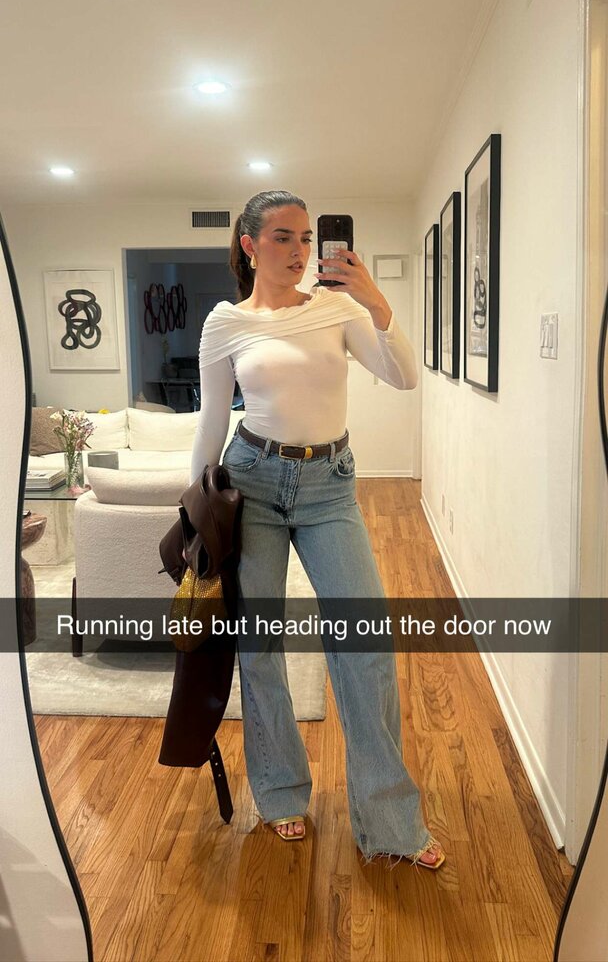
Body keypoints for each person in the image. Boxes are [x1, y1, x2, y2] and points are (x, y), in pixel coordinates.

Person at [190, 190, 445, 869]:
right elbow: (211, 420)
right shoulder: (226, 322)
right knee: (260, 645)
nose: (299, 251)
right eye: (282, 237)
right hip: (251, 481)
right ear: (250, 245)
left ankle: (389, 821)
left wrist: (375, 302)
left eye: (306, 238)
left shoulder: (338, 307)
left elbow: (404, 376)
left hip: (330, 485)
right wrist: (195, 511)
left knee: (366, 644)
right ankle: (280, 794)